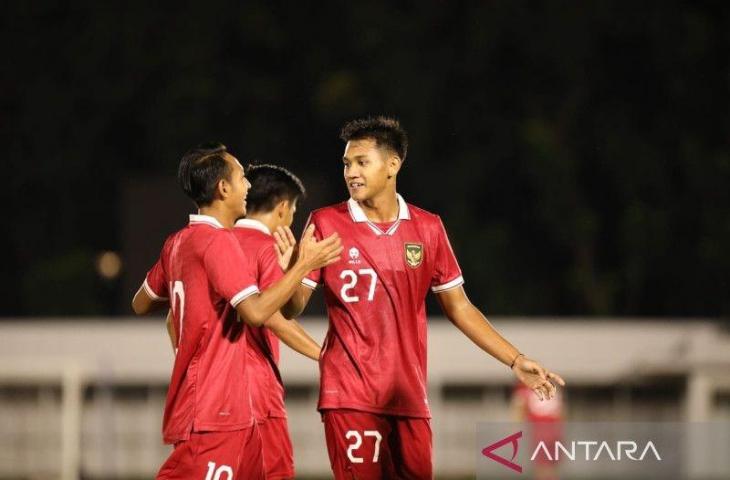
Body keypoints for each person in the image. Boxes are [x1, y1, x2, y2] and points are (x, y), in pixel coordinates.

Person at [280, 117, 566, 479]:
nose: (351, 172)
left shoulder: (427, 227)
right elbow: (292, 309)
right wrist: (295, 269)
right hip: (350, 394)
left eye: (361, 162)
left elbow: (459, 307)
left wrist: (515, 359)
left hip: (409, 397)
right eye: (346, 164)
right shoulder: (325, 222)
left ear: (393, 164)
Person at [131, 143, 341, 479]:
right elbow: (259, 314)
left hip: (204, 401)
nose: (248, 186)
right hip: (220, 405)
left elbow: (142, 303)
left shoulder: (177, 242)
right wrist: (304, 266)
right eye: (242, 177)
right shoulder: (219, 242)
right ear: (223, 187)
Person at [232, 163, 321, 479]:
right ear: (283, 208)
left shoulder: (212, 244)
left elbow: (174, 319)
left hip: (211, 395)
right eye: (294, 209)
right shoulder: (266, 248)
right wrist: (329, 357)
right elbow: (277, 320)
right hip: (256, 391)